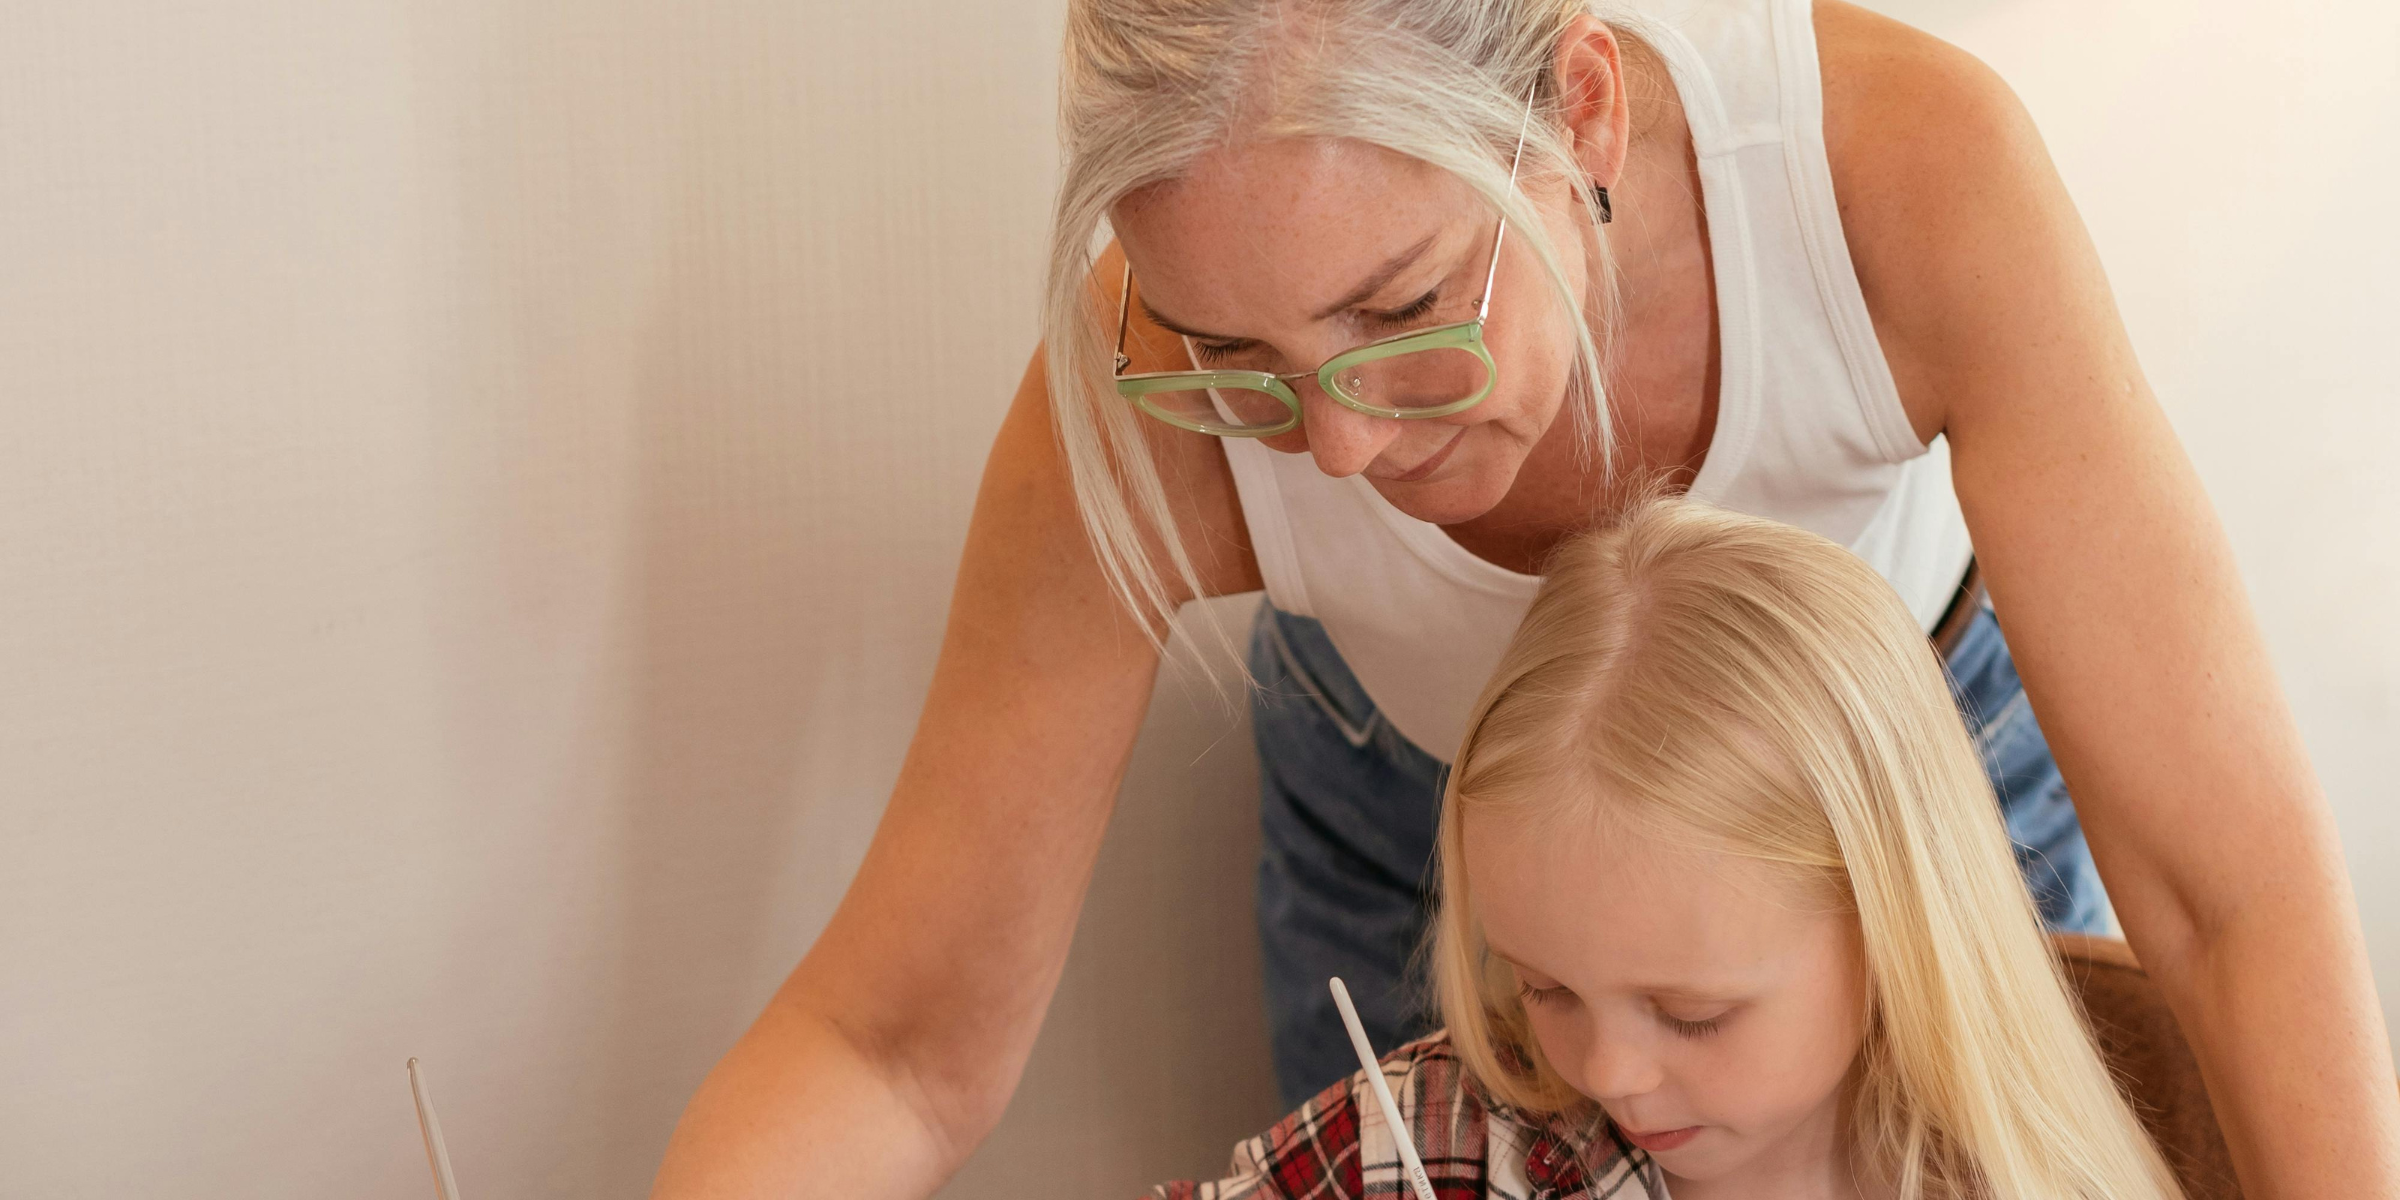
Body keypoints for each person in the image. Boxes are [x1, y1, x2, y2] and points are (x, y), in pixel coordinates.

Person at [648, 1, 2399, 1196]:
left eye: (1403, 307)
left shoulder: (1893, 175)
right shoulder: (1135, 393)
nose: (1338, 447)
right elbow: (893, 1051)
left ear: (1580, 111)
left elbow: (2222, 898)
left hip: (1887, 817)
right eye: (1235, 357)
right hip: (1409, 826)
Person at [1147, 499, 2186, 1200]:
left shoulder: (2016, 1174)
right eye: (1546, 989)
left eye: (1693, 1015)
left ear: (1893, 928)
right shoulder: (1444, 1137)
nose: (1608, 1071)